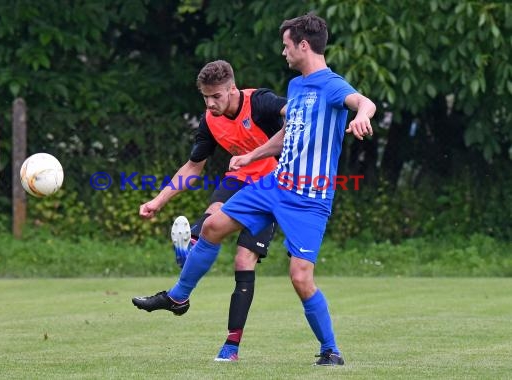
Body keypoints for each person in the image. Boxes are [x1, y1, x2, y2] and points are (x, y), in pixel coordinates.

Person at [133, 13, 376, 366]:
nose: (283, 52)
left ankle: (330, 350)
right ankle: (177, 297)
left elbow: (362, 101)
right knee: (213, 227)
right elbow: (287, 134)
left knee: (300, 278)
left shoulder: (331, 85)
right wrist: (252, 155)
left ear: (303, 46)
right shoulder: (297, 87)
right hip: (275, 185)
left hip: (310, 199)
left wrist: (362, 115)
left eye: (286, 45)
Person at [135, 59, 287, 362]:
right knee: (209, 222)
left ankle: (231, 348)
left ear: (232, 89)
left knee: (243, 260)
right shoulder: (210, 119)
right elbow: (193, 166)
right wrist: (158, 200)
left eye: (216, 96)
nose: (210, 103)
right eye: (205, 97)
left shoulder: (261, 102)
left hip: (273, 186)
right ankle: (185, 268)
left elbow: (296, 114)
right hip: (239, 181)